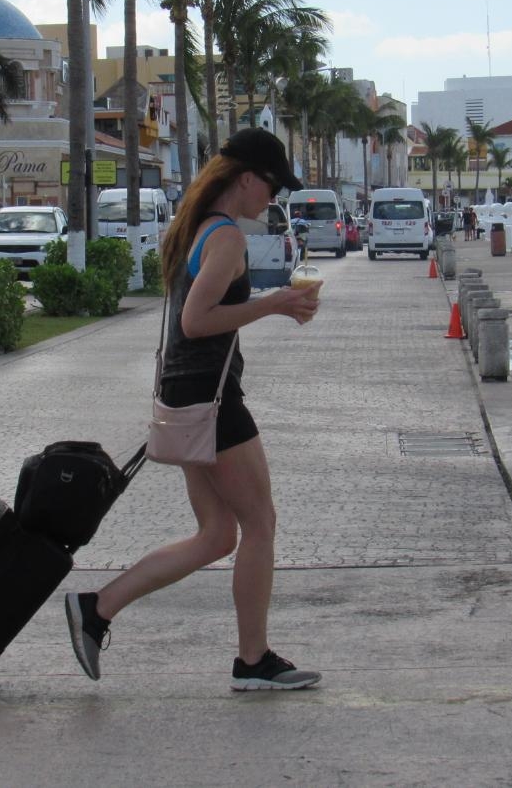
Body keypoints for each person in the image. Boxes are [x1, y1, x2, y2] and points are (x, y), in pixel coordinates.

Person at [65, 126, 324, 692]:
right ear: (249, 178)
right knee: (260, 524)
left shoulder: (198, 228)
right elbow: (196, 321)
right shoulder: (226, 236)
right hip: (212, 398)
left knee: (215, 534)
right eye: (272, 187)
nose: (272, 199)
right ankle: (252, 661)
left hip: (185, 392)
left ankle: (98, 607)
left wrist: (270, 305)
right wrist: (274, 303)